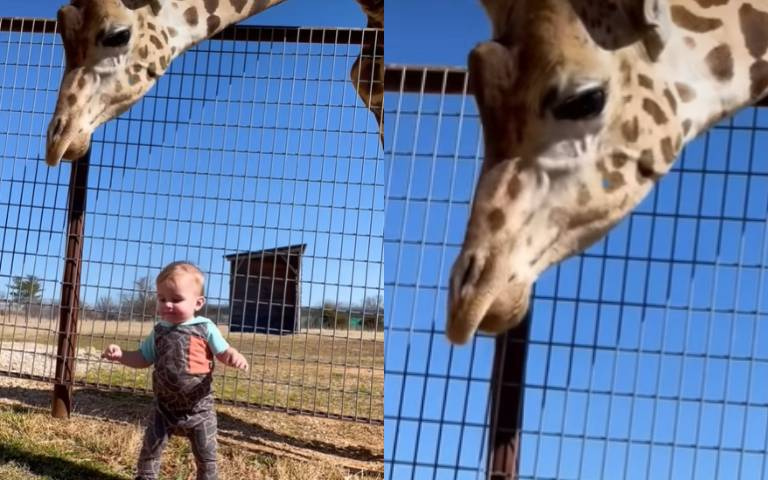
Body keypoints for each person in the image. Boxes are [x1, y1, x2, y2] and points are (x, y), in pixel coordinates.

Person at [102, 261, 248, 480]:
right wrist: (122, 355)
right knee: (149, 453)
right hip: (164, 409)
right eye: (162, 299)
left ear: (198, 303)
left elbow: (223, 351)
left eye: (176, 299)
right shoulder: (159, 331)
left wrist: (233, 356)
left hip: (199, 410)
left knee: (207, 459)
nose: (167, 305)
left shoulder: (205, 327)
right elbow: (143, 358)